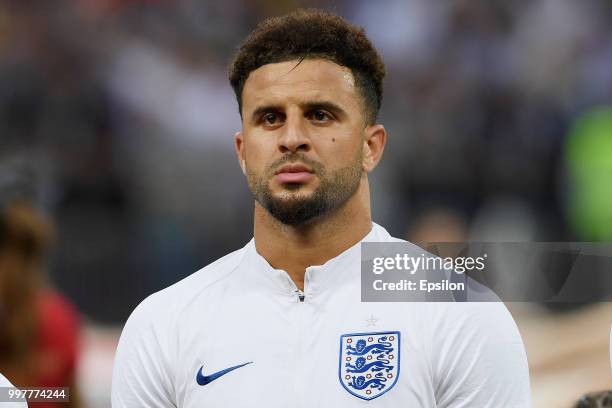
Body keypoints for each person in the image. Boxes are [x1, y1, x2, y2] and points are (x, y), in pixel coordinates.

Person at [112, 9, 531, 407]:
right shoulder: (164, 326)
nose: (292, 137)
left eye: (320, 115)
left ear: (372, 147)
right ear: (243, 151)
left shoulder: (459, 316)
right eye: (270, 118)